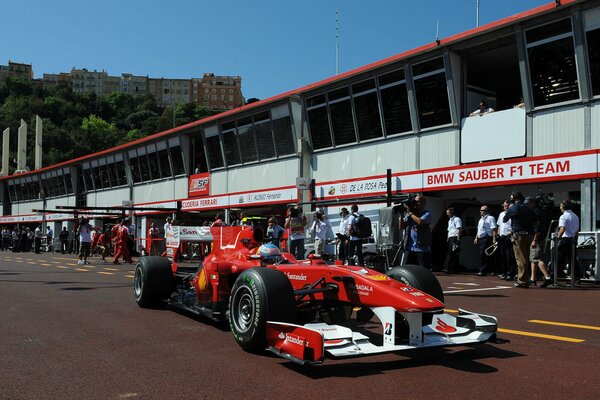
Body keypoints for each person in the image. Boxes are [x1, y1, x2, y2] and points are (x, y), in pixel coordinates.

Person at [503, 192, 539, 288]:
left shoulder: (513, 208)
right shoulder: (529, 208)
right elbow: (536, 221)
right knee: (526, 258)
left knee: (520, 259)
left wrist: (509, 210)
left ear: (514, 198)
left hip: (519, 235)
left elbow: (504, 219)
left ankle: (522, 281)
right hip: (529, 235)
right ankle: (526, 280)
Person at [400, 195, 432, 270]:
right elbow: (401, 227)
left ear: (424, 203)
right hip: (409, 248)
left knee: (423, 271)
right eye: (415, 201)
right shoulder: (410, 214)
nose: (416, 203)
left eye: (418, 202)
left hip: (422, 249)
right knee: (406, 270)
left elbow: (420, 222)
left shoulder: (426, 214)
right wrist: (401, 214)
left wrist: (410, 213)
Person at [554, 200, 580, 284]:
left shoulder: (563, 216)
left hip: (565, 239)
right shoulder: (575, 216)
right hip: (573, 239)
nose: (560, 207)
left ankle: (554, 277)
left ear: (564, 207)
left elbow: (562, 228)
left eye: (561, 206)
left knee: (559, 259)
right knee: (572, 259)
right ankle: (576, 277)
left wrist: (558, 237)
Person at [497, 200, 516, 281]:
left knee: (509, 256)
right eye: (505, 205)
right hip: (502, 237)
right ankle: (504, 273)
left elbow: (514, 226)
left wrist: (510, 233)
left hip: (509, 237)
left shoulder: (512, 214)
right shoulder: (501, 214)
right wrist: (498, 235)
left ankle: (510, 274)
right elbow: (499, 225)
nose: (506, 207)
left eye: (507, 205)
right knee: (503, 256)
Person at [474, 205, 497, 276]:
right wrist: (476, 238)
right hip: (481, 238)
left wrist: (494, 239)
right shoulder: (481, 219)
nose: (480, 212)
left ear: (486, 211)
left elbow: (493, 229)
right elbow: (479, 229)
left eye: (482, 210)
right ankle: (490, 270)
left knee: (484, 255)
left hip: (487, 238)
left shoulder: (490, 218)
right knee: (484, 254)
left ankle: (483, 271)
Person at [443, 207, 462, 274]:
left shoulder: (457, 219)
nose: (447, 214)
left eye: (448, 212)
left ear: (452, 212)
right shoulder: (449, 220)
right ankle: (455, 268)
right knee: (453, 253)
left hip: (455, 237)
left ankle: (447, 267)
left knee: (451, 252)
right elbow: (449, 230)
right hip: (451, 237)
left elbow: (459, 229)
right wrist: (448, 238)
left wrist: (458, 239)